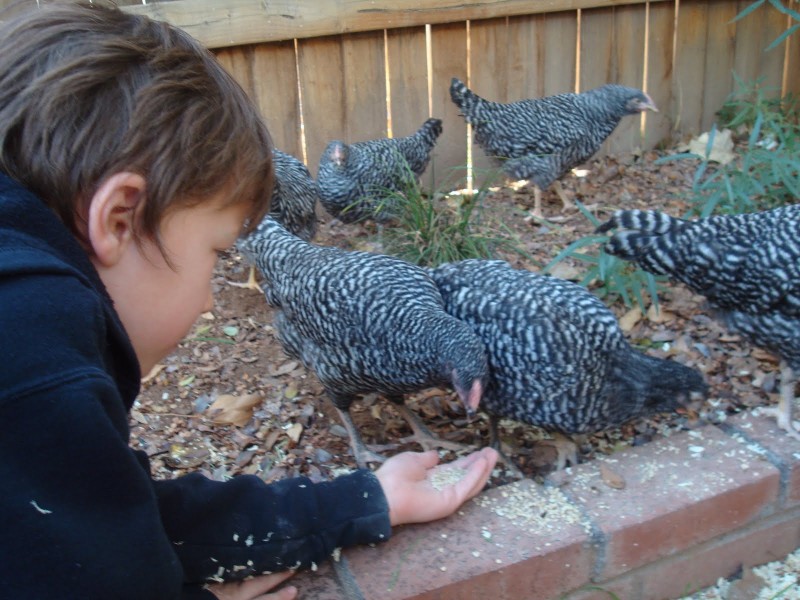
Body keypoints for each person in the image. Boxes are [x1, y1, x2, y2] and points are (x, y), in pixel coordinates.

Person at [0, 2, 499, 599]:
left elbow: (97, 522)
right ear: (120, 218)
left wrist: (361, 501)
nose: (213, 301)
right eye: (218, 251)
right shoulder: (31, 362)